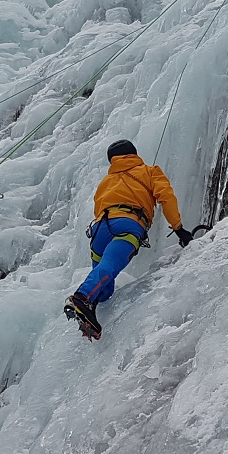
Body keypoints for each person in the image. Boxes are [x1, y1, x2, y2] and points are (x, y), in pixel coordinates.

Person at [65, 140, 193, 339]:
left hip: (99, 230)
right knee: (109, 267)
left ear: (112, 160)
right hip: (128, 225)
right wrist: (178, 228)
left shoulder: (106, 181)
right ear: (134, 153)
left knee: (105, 290)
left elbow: (98, 207)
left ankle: (89, 311)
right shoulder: (149, 171)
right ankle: (81, 298)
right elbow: (166, 196)